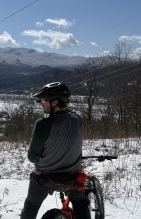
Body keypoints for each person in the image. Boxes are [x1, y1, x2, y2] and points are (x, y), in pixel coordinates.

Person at [20, 82, 90, 219]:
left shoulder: (42, 125)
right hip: (72, 177)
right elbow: (70, 114)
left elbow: (32, 157)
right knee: (81, 203)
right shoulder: (78, 120)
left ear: (55, 102)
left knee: (31, 205)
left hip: (44, 178)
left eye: (43, 100)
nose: (41, 103)